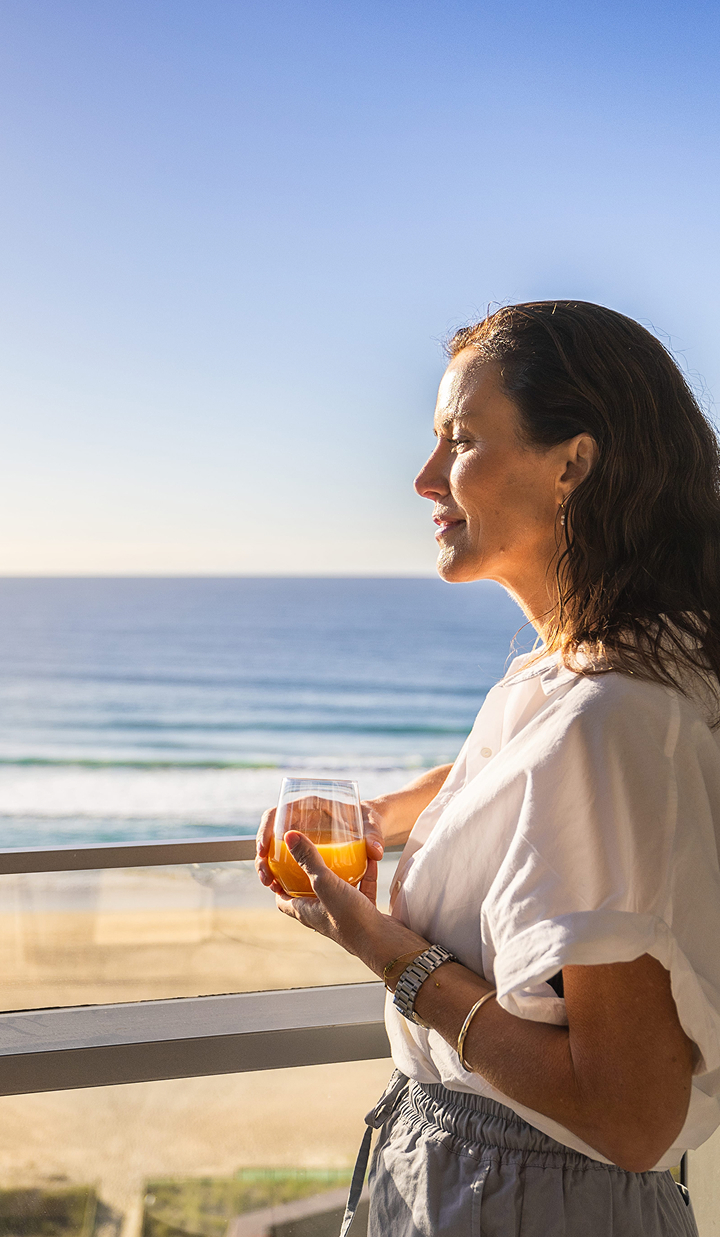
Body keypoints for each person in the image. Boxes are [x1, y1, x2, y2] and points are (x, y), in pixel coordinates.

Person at [256, 301, 720, 1236]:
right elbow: (536, 772)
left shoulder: (614, 718)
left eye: (460, 441)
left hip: (523, 1208)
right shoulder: (612, 668)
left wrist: (383, 948)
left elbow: (633, 1119)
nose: (426, 478)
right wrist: (377, 815)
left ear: (571, 464)